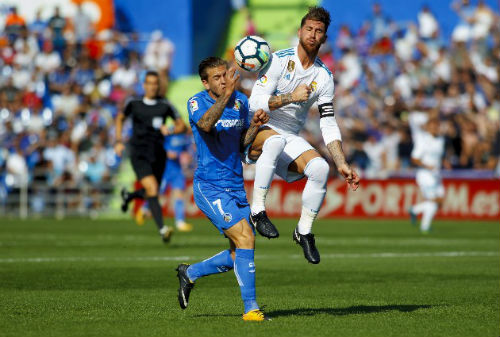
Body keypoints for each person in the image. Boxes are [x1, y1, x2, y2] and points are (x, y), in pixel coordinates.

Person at [246, 6, 360, 264]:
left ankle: (304, 231)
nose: (312, 34)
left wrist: (341, 161)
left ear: (324, 39)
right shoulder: (278, 61)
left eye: (318, 31)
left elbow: (328, 122)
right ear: (299, 32)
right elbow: (254, 103)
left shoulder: (324, 77)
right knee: (274, 141)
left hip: (288, 135)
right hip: (257, 129)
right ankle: (258, 211)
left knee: (320, 168)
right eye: (309, 29)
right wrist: (290, 97)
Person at [175, 57, 270, 321]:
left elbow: (241, 146)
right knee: (245, 240)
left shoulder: (240, 102)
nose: (223, 80)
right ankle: (251, 309)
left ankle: (190, 273)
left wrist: (254, 125)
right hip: (210, 186)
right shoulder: (196, 102)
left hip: (235, 186)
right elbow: (205, 125)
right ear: (205, 83)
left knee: (238, 251)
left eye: (224, 75)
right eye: (216, 78)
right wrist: (226, 95)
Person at [114, 71, 187, 243]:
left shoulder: (165, 104)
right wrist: (118, 141)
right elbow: (120, 118)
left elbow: (181, 125)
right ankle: (163, 229)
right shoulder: (134, 103)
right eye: (149, 83)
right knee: (153, 189)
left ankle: (130, 197)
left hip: (158, 153)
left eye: (156, 83)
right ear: (144, 85)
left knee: (152, 191)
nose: (153, 86)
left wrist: (170, 129)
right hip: (139, 153)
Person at [409, 118, 445, 233]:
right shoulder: (423, 139)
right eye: (432, 126)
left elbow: (438, 157)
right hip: (425, 175)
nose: (434, 128)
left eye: (436, 126)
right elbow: (414, 158)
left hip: (436, 174)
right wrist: (426, 166)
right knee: (432, 200)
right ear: (428, 127)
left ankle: (415, 210)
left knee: (440, 200)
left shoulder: (441, 140)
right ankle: (425, 227)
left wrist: (445, 162)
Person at [158, 132, 194, 232]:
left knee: (179, 195)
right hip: (165, 169)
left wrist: (188, 156)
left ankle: (180, 222)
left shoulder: (184, 137)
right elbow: (159, 147)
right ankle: (145, 208)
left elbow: (188, 150)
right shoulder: (167, 135)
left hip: (177, 171)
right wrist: (167, 153)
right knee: (158, 193)